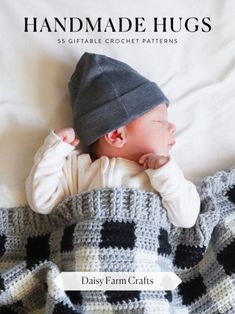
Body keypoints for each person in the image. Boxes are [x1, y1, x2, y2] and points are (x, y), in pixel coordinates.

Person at [25, 52, 200, 228]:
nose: (172, 127)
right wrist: (55, 151)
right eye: (160, 121)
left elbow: (186, 219)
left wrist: (167, 175)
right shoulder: (77, 170)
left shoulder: (161, 177)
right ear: (116, 135)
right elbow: (42, 202)